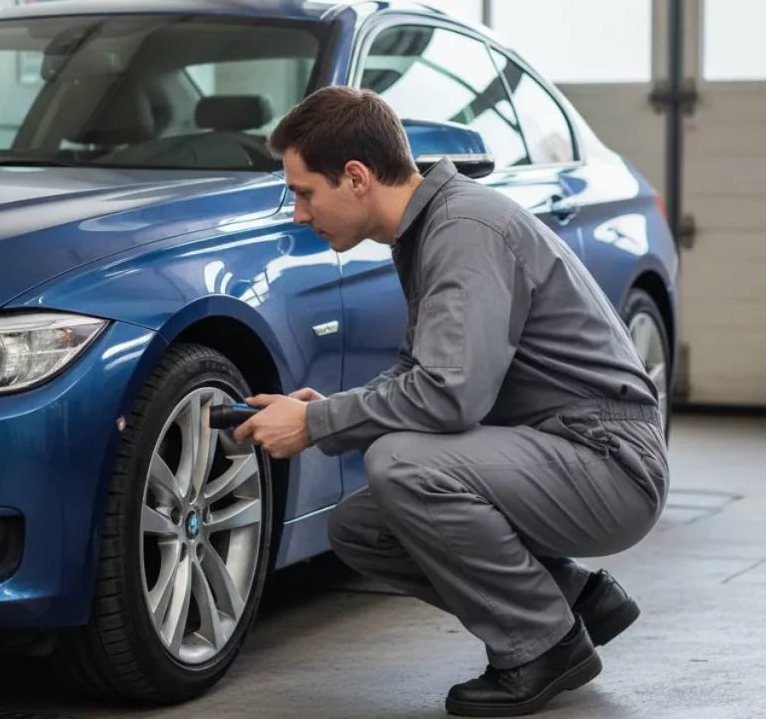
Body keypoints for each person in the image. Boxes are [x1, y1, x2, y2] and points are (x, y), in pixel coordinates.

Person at [233, 86, 669, 717]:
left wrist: (316, 423)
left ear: (355, 177)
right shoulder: (433, 229)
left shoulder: (464, 230)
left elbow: (448, 398)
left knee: (400, 464)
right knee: (362, 529)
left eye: (304, 192)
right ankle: (569, 600)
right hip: (564, 451)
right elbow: (432, 376)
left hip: (607, 461)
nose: (299, 213)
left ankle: (544, 647)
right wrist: (320, 407)